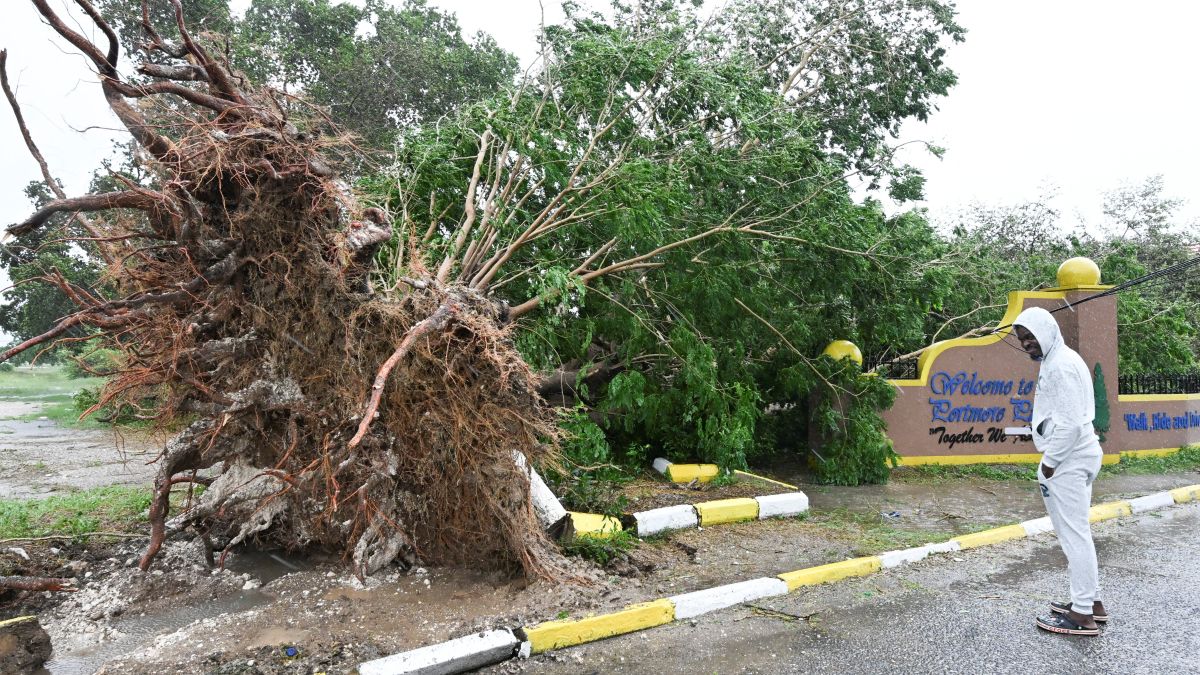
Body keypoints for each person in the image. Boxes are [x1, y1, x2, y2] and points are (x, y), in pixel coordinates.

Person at [1012, 306, 1107, 637]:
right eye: (1022, 338)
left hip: (1068, 460)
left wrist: (1049, 464)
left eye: (1031, 336)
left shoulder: (1061, 367)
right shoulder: (1062, 359)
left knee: (1073, 535)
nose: (1026, 343)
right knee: (1078, 531)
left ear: (1048, 332)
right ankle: (1090, 602)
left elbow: (1068, 423)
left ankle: (1082, 615)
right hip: (1081, 454)